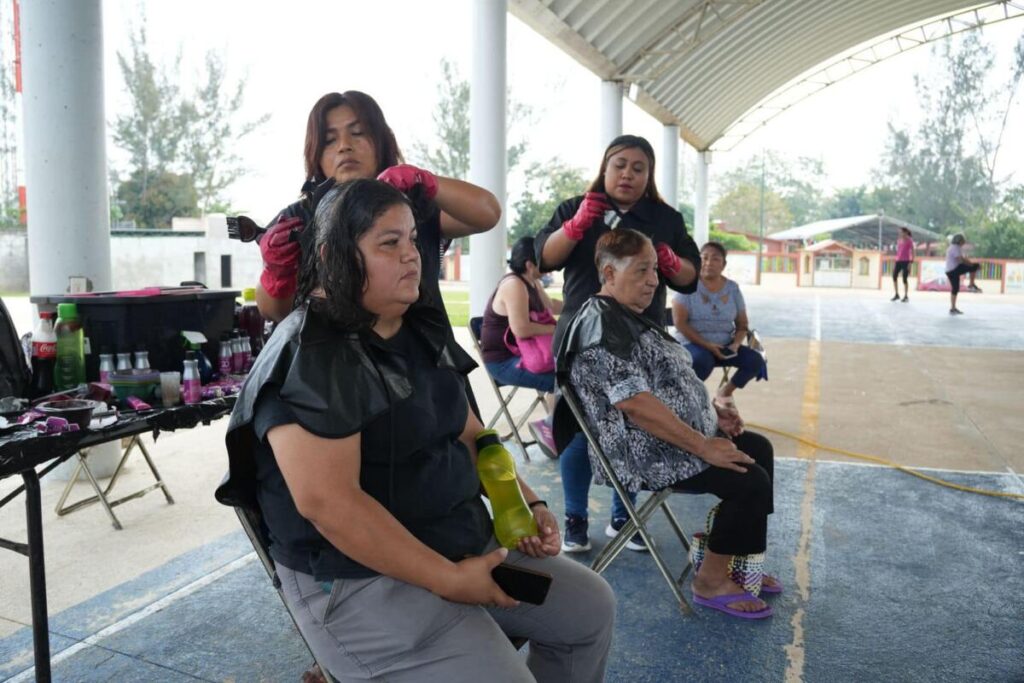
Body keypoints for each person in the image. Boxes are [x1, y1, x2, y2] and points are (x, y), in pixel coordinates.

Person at [219, 180, 615, 682]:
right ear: (333, 254)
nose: (412, 256)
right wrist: (449, 580)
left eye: (412, 240)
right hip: (356, 577)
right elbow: (329, 504)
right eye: (389, 243)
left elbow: (472, 433)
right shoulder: (312, 353)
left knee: (588, 610)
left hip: (453, 542)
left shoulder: (416, 326)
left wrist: (526, 502)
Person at [556, 229, 779, 620]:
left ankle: (739, 562)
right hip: (642, 453)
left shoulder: (626, 315)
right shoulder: (600, 326)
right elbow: (636, 404)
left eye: (655, 270)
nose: (653, 281)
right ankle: (709, 582)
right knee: (749, 478)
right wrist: (703, 443)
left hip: (667, 438)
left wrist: (712, 414)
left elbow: (666, 381)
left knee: (758, 448)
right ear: (609, 274)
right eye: (642, 271)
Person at [535, 134, 700, 553]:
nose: (628, 174)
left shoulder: (665, 218)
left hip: (640, 339)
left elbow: (690, 277)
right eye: (620, 165)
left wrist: (669, 263)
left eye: (638, 167)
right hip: (582, 339)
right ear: (605, 168)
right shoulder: (576, 207)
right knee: (576, 432)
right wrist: (574, 228)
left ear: (649, 175)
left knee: (638, 426)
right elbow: (544, 259)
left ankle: (624, 518)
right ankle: (574, 518)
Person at [256, 90, 500, 324]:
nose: (344, 146)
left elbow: (487, 214)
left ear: (381, 140)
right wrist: (277, 273)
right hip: (332, 363)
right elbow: (274, 312)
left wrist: (427, 181)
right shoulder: (297, 220)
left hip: (418, 356)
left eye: (358, 133)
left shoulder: (411, 202)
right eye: (330, 140)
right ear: (316, 154)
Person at [480, 236, 562, 458]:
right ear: (529, 264)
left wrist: (577, 305)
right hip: (503, 363)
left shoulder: (531, 282)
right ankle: (550, 427)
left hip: (524, 355)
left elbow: (550, 305)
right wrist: (557, 330)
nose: (548, 267)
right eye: (543, 262)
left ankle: (553, 426)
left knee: (569, 373)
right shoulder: (514, 285)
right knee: (564, 380)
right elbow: (522, 329)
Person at [671, 242, 766, 407]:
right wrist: (707, 345)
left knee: (755, 360)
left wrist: (736, 344)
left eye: (715, 259)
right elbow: (680, 324)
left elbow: (742, 324)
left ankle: (724, 392)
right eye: (704, 258)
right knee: (703, 360)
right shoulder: (688, 286)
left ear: (724, 264)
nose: (709, 263)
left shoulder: (732, 289)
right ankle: (687, 399)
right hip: (692, 344)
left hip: (725, 346)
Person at [945, 232, 982, 315]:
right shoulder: (955, 248)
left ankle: (953, 308)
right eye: (963, 241)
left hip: (950, 270)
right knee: (975, 266)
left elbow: (963, 258)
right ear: (959, 241)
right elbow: (960, 260)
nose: (964, 242)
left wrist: (971, 264)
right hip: (954, 270)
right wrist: (972, 265)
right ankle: (971, 284)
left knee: (955, 288)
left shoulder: (954, 247)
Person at [891, 227, 914, 302]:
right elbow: (898, 252)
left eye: (901, 232)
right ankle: (896, 294)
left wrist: (911, 263)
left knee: (904, 278)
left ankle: (906, 296)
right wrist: (895, 262)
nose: (900, 233)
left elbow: (912, 251)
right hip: (898, 261)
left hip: (906, 261)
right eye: (900, 232)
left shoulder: (909, 240)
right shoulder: (899, 240)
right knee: (894, 276)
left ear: (906, 232)